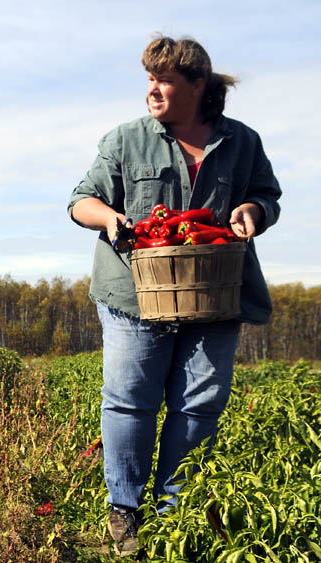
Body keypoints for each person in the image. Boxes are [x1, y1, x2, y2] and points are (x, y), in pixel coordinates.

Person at [67, 35, 281, 556]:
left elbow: (265, 196)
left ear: (197, 85)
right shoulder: (125, 139)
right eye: (149, 79)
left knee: (200, 404)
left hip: (213, 293)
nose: (153, 89)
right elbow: (81, 201)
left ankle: (174, 510)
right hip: (133, 293)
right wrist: (113, 218)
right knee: (129, 402)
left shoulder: (242, 142)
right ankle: (126, 509)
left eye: (164, 79)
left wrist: (253, 213)